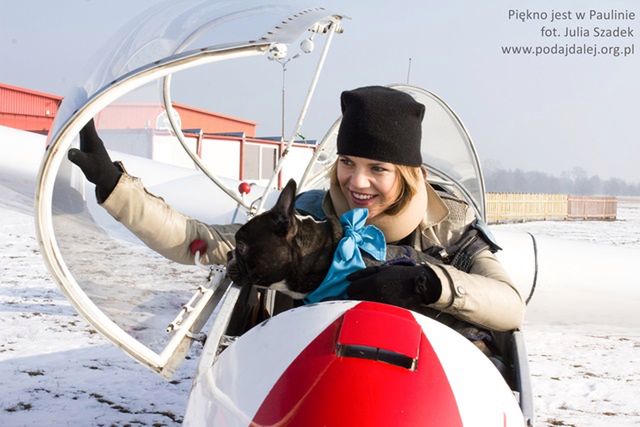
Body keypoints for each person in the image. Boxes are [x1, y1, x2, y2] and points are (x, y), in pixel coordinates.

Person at [68, 86, 524, 341]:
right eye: (347, 162)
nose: (356, 182)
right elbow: (198, 240)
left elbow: (509, 306)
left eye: (377, 168)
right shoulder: (306, 220)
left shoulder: (450, 230)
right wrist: (113, 185)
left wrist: (429, 282)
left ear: (407, 173)